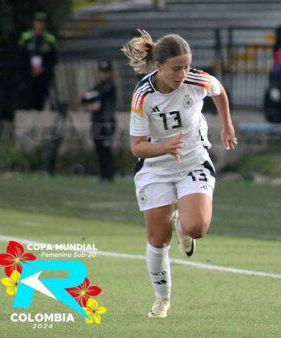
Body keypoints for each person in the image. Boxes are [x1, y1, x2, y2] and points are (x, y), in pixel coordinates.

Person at [121, 29, 237, 318]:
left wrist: (227, 125)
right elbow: (136, 147)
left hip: (193, 162)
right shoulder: (142, 96)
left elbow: (219, 91)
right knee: (158, 240)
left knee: (196, 227)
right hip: (155, 169)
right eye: (176, 68)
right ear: (158, 67)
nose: (183, 73)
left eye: (186, 66)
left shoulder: (196, 80)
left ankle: (183, 224)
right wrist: (162, 147)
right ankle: (162, 300)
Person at [81, 60, 117, 182]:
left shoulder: (110, 86)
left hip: (106, 122)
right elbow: (85, 99)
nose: (103, 74)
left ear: (110, 73)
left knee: (106, 148)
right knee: (99, 149)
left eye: (106, 72)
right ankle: (103, 175)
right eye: (101, 72)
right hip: (96, 121)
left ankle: (109, 175)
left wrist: (90, 98)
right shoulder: (98, 86)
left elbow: (96, 95)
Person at [18, 12, 58, 110]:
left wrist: (43, 68)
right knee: (26, 100)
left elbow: (54, 58)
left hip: (43, 76)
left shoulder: (50, 39)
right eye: (38, 22)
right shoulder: (26, 37)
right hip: (28, 74)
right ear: (34, 23)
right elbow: (20, 56)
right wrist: (28, 68)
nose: (40, 25)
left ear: (45, 24)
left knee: (40, 100)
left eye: (42, 23)